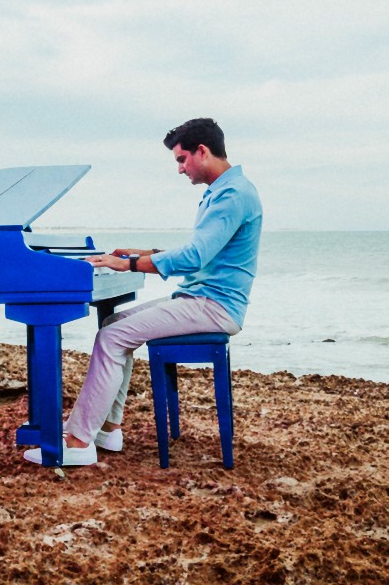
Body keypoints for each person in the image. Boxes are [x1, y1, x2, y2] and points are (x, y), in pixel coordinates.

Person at [24, 117, 263, 466]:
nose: (180, 169)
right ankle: (109, 428)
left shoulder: (232, 195)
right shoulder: (225, 192)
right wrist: (139, 254)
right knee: (113, 325)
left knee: (111, 338)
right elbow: (202, 255)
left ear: (202, 151)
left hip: (215, 305)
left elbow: (194, 257)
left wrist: (131, 265)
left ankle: (78, 442)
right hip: (203, 298)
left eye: (182, 159)